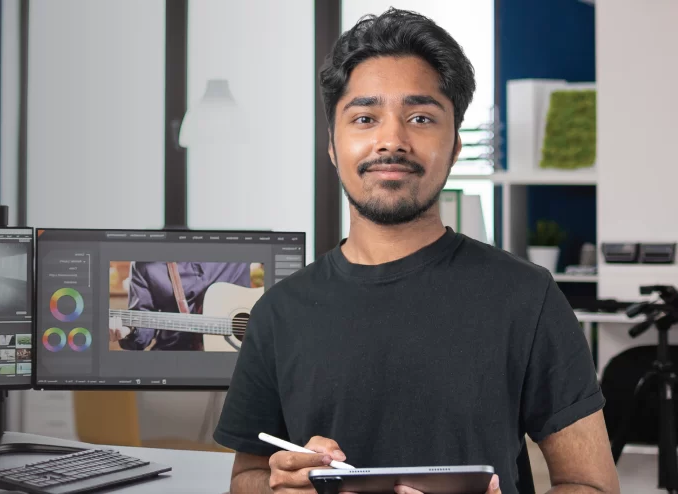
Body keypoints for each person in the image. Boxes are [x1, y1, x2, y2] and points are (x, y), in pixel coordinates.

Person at [212, 9, 620, 494]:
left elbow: (592, 484)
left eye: (421, 117)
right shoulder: (279, 313)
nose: (392, 141)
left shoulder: (526, 297)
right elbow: (249, 477)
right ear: (331, 146)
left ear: (454, 147)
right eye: (364, 118)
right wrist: (280, 486)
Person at [109, 262, 251, 351]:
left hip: (237, 362)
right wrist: (129, 329)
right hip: (173, 357)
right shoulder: (145, 264)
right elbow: (143, 321)